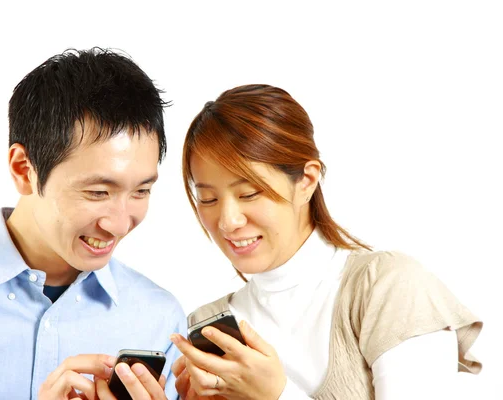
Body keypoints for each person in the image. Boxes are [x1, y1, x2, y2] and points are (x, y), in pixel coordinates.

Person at [0, 48, 186, 400]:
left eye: (142, 190)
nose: (119, 224)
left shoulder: (160, 320)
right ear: (24, 169)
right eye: (98, 192)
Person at [169, 84, 483, 399]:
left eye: (249, 193)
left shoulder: (390, 288)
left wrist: (276, 395)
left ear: (306, 181)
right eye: (207, 198)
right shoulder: (207, 326)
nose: (227, 221)